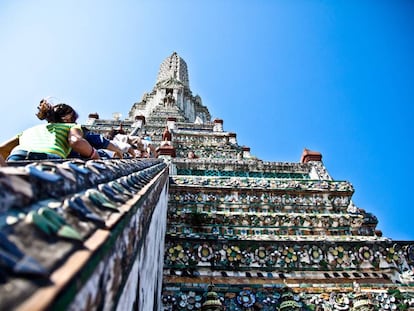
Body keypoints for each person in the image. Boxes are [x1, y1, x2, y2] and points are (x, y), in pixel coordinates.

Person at [0, 99, 100, 161]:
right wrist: (93, 155)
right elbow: (76, 141)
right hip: (48, 157)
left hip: (17, 155)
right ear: (68, 118)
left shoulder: (28, 130)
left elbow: (3, 149)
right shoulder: (71, 126)